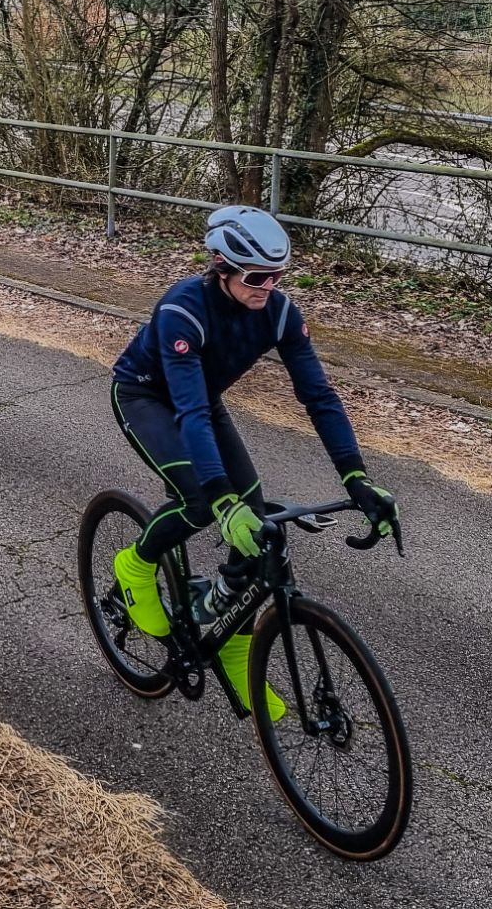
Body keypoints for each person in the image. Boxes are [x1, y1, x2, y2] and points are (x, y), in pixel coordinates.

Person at [109, 204, 399, 717]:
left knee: (260, 525)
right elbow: (191, 413)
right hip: (147, 397)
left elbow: (320, 397)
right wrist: (223, 501)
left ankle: (234, 638)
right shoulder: (183, 308)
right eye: (257, 276)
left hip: (204, 400)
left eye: (278, 275)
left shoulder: (280, 312)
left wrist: (357, 478)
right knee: (201, 501)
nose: (268, 285)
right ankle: (135, 564)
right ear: (221, 268)